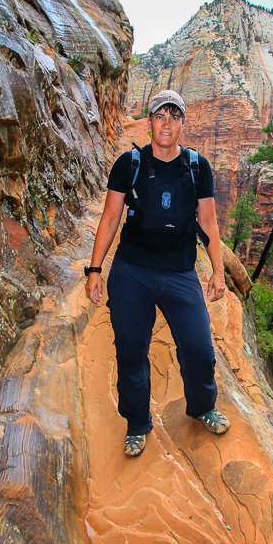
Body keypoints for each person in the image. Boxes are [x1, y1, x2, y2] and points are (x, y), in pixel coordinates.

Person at [85, 90, 230, 457]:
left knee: (198, 348)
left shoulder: (197, 167)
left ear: (183, 123)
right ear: (149, 122)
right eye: (160, 116)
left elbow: (209, 222)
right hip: (132, 271)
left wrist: (218, 271)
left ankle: (203, 407)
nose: (167, 123)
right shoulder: (128, 163)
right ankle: (136, 424)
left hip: (180, 273)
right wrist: (95, 269)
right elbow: (110, 219)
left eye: (174, 116)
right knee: (131, 351)